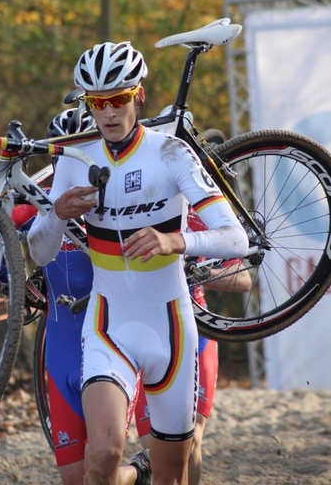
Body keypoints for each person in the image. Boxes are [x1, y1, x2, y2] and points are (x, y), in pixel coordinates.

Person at [28, 41, 249, 485]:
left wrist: (175, 239)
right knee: (105, 453)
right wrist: (57, 215)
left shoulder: (171, 153)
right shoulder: (74, 161)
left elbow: (237, 239)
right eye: (97, 102)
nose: (108, 112)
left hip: (172, 327)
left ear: (139, 95)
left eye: (118, 99)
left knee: (171, 473)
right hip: (108, 325)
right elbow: (38, 252)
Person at [13, 105, 151, 485]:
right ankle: (138, 474)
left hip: (108, 341)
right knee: (76, 479)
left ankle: (136, 470)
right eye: (58, 159)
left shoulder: (122, 199)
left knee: (100, 465)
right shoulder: (41, 199)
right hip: (59, 347)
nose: (64, 174)